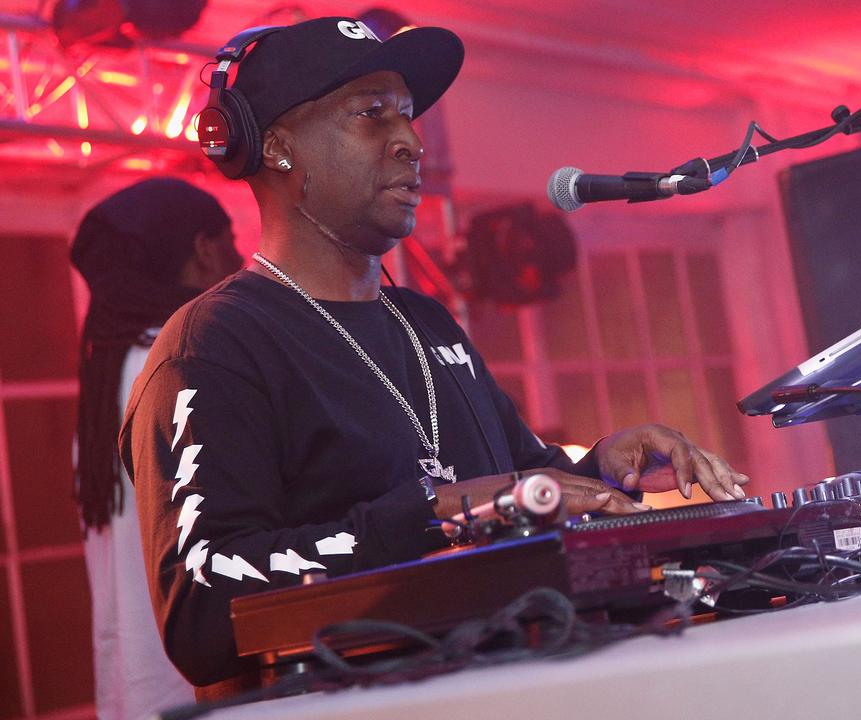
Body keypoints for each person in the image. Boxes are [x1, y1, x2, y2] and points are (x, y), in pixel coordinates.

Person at [118, 17, 749, 695]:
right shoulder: (213, 348)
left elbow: (519, 481)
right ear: (275, 147)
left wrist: (602, 468)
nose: (411, 141)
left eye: (409, 116)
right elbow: (203, 609)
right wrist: (437, 512)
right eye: (371, 115)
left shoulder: (426, 322)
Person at [72, 178, 242, 719]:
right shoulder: (182, 364)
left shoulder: (114, 373)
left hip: (140, 684)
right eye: (231, 239)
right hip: (201, 683)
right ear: (203, 249)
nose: (240, 256)